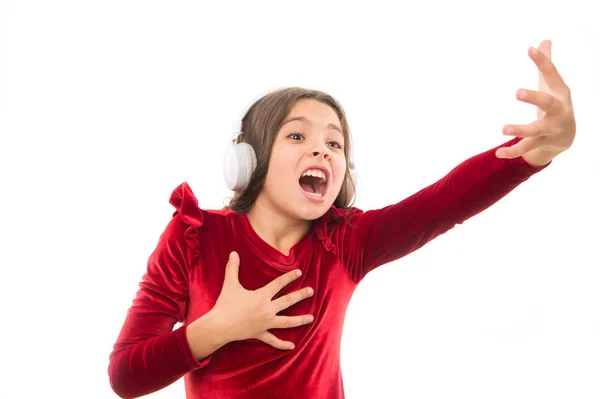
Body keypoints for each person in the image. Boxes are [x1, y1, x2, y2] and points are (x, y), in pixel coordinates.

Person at [108, 40, 576, 399]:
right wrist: (218, 327)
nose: (321, 149)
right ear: (248, 161)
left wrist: (537, 151)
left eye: (334, 144)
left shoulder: (345, 243)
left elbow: (444, 202)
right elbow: (126, 375)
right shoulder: (193, 235)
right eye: (297, 135)